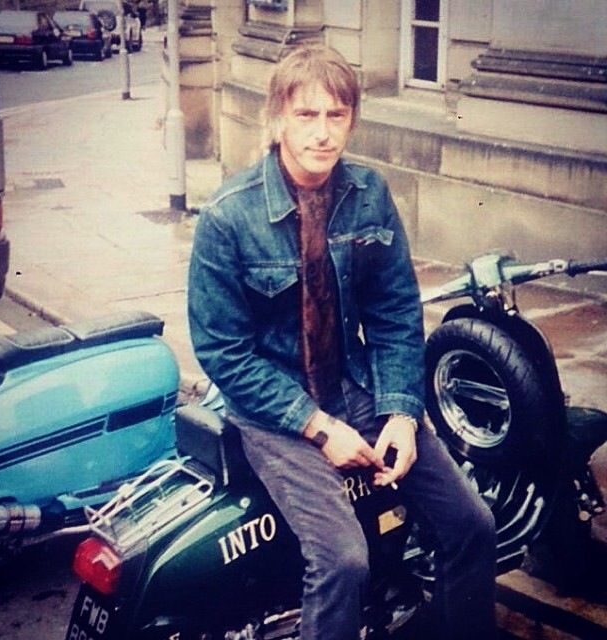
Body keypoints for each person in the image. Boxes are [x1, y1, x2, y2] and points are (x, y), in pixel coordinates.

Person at [188, 44, 497, 640]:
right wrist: (319, 428)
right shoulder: (227, 217)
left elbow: (395, 312)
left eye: (337, 115)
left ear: (352, 119)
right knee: (343, 561)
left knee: (472, 525)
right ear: (277, 118)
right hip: (273, 411)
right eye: (307, 115)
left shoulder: (368, 193)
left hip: (354, 385)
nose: (323, 133)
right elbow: (224, 352)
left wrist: (401, 414)